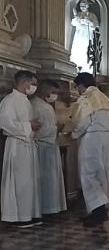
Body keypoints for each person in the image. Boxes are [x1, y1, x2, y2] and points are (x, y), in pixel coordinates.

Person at [71, 73, 109, 226]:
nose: (77, 90)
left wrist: (72, 133)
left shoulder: (86, 99)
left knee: (89, 173)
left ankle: (98, 212)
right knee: (105, 174)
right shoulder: (106, 98)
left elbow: (81, 122)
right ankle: (99, 209)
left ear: (81, 85)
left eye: (77, 87)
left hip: (93, 138)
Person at [0, 70, 42, 227]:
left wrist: (33, 125)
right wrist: (28, 125)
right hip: (17, 145)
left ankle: (30, 213)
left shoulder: (25, 101)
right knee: (20, 181)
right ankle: (19, 217)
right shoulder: (9, 101)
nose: (33, 87)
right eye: (32, 83)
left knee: (30, 181)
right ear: (24, 82)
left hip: (27, 145)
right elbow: (5, 123)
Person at [31, 79, 67, 216]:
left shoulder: (46, 106)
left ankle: (53, 207)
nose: (54, 96)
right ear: (44, 89)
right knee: (45, 179)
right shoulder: (35, 105)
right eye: (53, 92)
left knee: (52, 178)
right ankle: (46, 208)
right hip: (42, 147)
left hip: (51, 146)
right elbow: (36, 129)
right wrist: (56, 129)